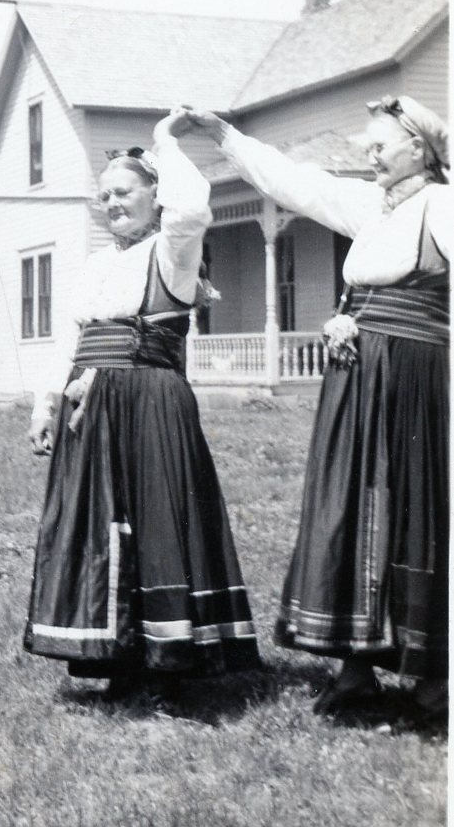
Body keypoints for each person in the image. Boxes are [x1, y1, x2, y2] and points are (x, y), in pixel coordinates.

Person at [182, 96, 450, 722]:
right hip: (355, 377)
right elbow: (293, 183)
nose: (370, 155)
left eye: (381, 145)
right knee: (348, 504)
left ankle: (430, 680)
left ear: (419, 148)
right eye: (368, 146)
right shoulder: (371, 205)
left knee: (412, 508)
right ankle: (354, 671)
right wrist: (224, 135)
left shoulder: (443, 205)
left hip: (413, 379)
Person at [24, 108, 260, 704]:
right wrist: (44, 404)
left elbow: (194, 209)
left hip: (150, 400)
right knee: (102, 523)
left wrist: (165, 142)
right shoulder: (97, 264)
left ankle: (168, 669)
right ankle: (119, 658)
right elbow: (69, 339)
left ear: (155, 195)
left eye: (124, 192)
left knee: (158, 523)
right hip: (89, 407)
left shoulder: (173, 253)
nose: (112, 204)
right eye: (104, 196)